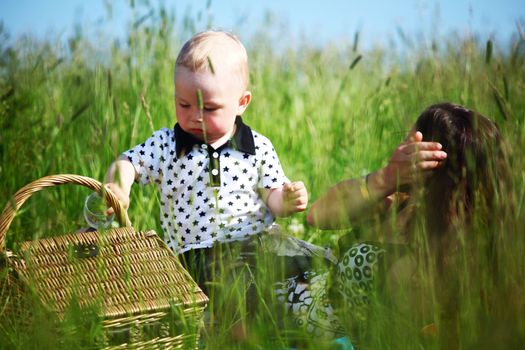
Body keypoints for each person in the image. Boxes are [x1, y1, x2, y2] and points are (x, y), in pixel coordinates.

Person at [103, 30, 309, 340]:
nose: (195, 117)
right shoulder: (168, 144)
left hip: (256, 248)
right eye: (183, 104)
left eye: (209, 108)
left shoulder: (256, 146)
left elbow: (272, 196)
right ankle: (243, 337)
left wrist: (287, 199)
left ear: (241, 103)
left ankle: (300, 332)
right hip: (196, 259)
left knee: (298, 281)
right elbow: (128, 162)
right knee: (234, 304)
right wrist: (118, 186)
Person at [278, 103, 512, 348]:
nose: (399, 149)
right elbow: (318, 215)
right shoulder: (398, 202)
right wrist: (385, 178)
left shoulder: (453, 259)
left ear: (429, 161)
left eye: (409, 145)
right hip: (302, 284)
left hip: (311, 332)